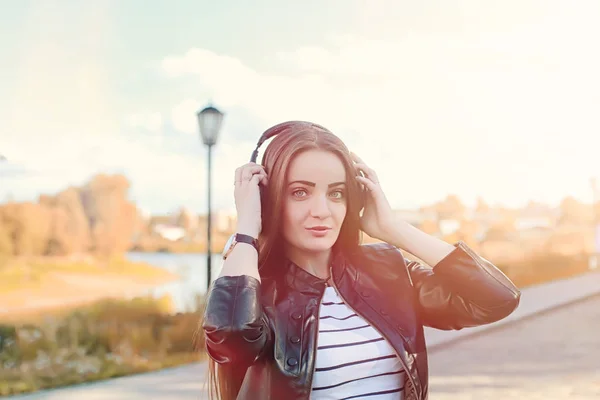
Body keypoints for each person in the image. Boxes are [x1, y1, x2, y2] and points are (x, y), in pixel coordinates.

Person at [200, 121, 520, 400]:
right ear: (268, 199)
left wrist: (394, 229)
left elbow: (495, 300)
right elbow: (230, 339)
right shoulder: (256, 292)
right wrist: (247, 231)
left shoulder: (386, 272)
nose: (322, 210)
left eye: (336, 193)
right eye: (300, 192)